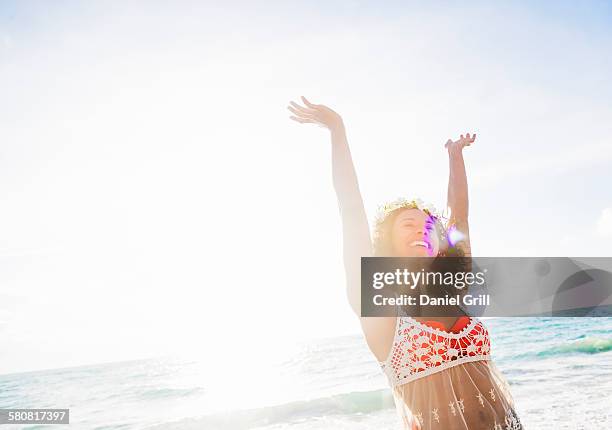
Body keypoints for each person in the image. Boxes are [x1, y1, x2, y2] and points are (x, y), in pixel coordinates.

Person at [288, 97, 524, 430]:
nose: (421, 231)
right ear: (387, 242)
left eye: (428, 227)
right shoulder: (381, 311)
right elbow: (351, 210)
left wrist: (455, 157)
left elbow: (459, 218)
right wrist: (337, 130)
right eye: (408, 225)